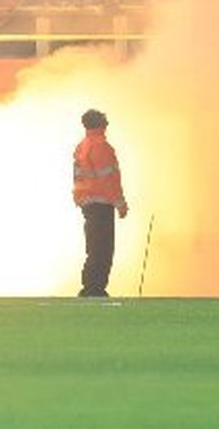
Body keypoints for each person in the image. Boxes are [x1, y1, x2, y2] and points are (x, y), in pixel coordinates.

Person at [72, 109, 127, 298]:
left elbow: (79, 176)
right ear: (102, 124)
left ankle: (89, 286)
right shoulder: (102, 146)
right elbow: (109, 179)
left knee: (93, 247)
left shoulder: (82, 146)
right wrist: (120, 203)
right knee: (104, 248)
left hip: (87, 203)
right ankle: (95, 288)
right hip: (102, 203)